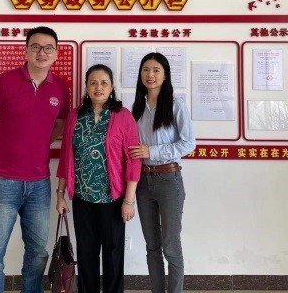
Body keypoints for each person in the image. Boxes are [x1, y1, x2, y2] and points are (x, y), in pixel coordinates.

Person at [0, 26, 70, 293]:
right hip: (2, 182)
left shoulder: (60, 88)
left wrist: (38, 144)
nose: (42, 53)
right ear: (26, 50)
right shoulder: (4, 82)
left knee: (38, 252)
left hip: (39, 183)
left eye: (48, 48)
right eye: (35, 47)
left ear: (56, 53)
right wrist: (1, 148)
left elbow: (60, 124)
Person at [55, 64, 141, 293]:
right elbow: (66, 157)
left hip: (113, 199)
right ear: (86, 87)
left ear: (112, 88)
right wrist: (60, 194)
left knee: (113, 256)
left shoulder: (123, 116)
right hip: (82, 198)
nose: (98, 87)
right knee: (86, 255)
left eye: (104, 83)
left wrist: (129, 200)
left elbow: (134, 160)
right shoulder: (75, 115)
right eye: (93, 82)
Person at [128, 52, 196, 293]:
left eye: (156, 70)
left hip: (169, 180)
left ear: (165, 75)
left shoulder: (176, 105)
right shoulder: (137, 107)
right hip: (143, 182)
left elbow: (188, 143)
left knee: (171, 246)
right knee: (152, 246)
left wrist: (152, 150)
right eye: (146, 69)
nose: (150, 75)